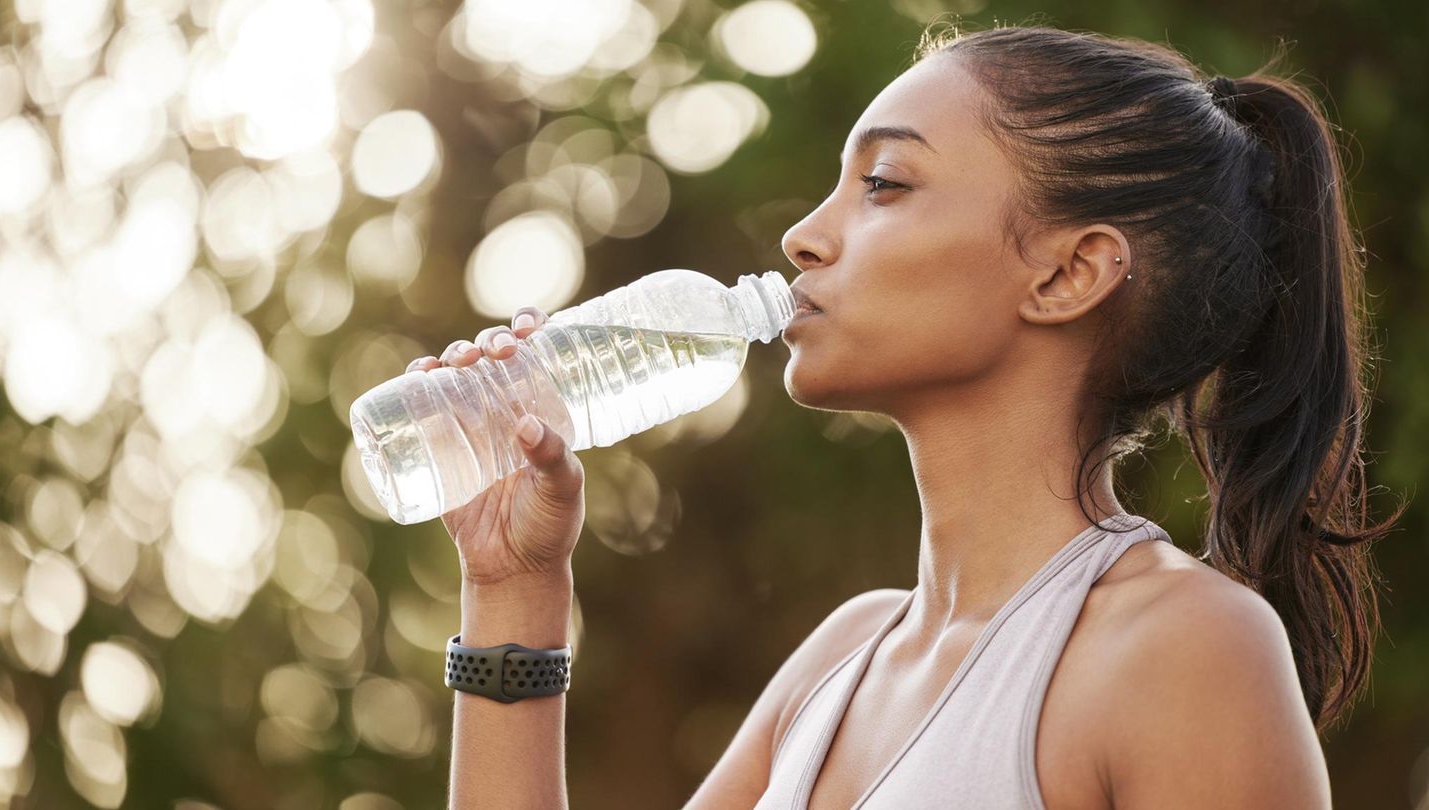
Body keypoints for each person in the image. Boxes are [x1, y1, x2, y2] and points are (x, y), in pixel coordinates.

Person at [406, 23, 1403, 810]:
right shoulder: (844, 659)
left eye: (884, 184)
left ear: (1067, 273)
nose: (803, 235)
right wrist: (514, 590)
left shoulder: (1184, 651)